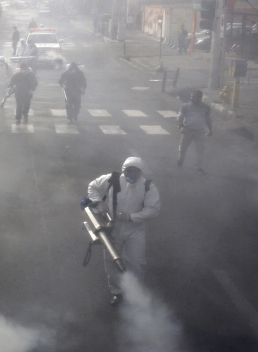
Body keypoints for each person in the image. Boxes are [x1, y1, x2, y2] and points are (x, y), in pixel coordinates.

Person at [87, 157, 161, 306]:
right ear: (124, 171)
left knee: (136, 262)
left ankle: (136, 292)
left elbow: (154, 210)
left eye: (136, 171)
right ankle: (117, 292)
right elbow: (92, 187)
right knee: (111, 261)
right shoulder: (112, 180)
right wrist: (99, 202)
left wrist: (131, 217)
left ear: (141, 172)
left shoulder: (148, 186)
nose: (132, 174)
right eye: (129, 171)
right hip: (112, 228)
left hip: (135, 230)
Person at [177, 90, 213, 174]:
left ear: (200, 97)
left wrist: (210, 129)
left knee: (200, 150)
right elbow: (179, 117)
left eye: (194, 97)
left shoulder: (206, 108)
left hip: (200, 132)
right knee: (183, 148)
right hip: (187, 130)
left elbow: (208, 120)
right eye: (191, 96)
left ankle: (198, 167)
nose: (191, 98)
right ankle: (181, 159)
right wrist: (181, 126)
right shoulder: (185, 106)